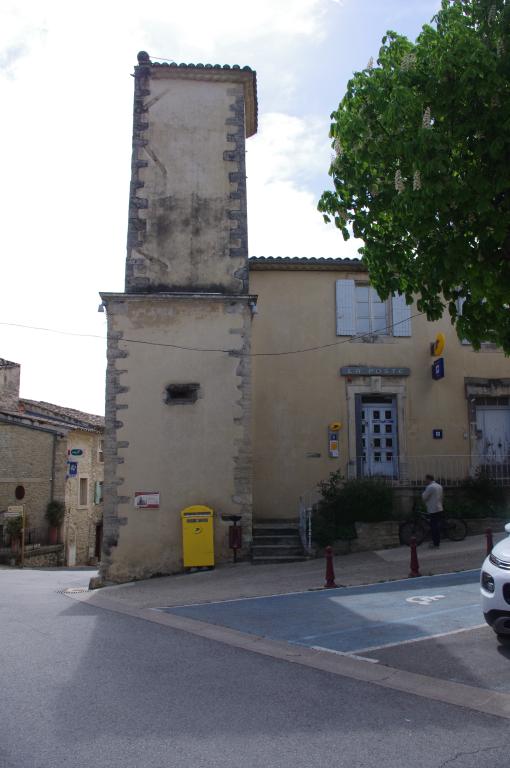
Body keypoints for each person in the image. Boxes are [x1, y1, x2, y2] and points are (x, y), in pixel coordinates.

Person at [422, 474, 443, 548]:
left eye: (425, 480)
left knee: (434, 527)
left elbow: (424, 497)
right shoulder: (439, 486)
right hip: (439, 508)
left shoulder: (430, 487)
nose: (425, 481)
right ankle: (437, 542)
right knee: (437, 526)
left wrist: (423, 491)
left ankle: (436, 543)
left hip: (433, 509)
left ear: (428, 479)